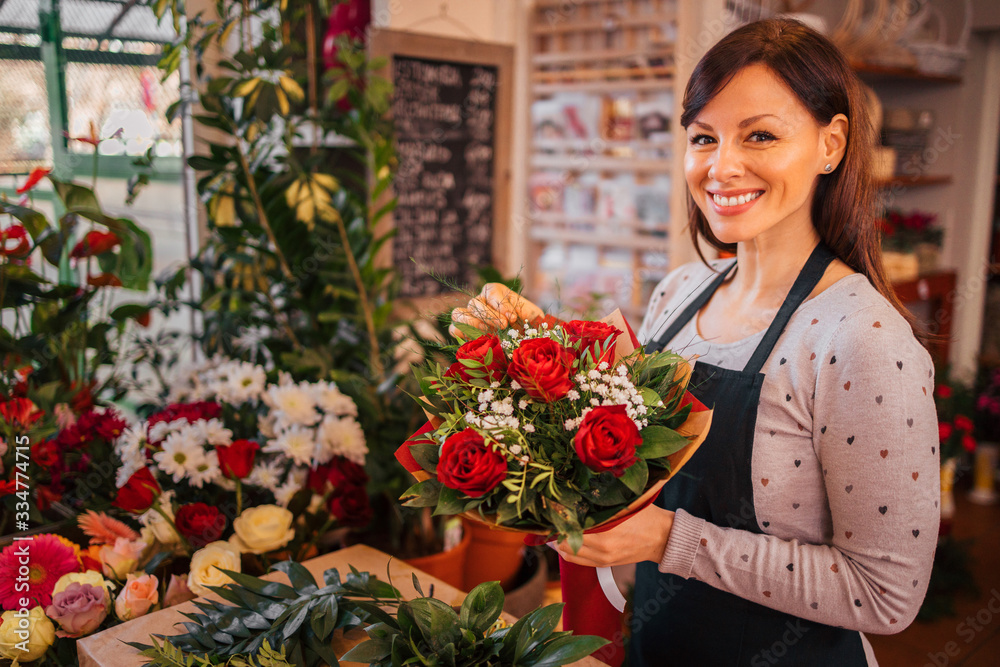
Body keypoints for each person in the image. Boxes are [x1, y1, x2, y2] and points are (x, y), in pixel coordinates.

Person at [452, 18, 938, 666]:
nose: (721, 165)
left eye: (759, 134)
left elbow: (885, 595)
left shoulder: (862, 339)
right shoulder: (679, 293)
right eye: (703, 137)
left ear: (832, 143)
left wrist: (669, 540)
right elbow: (636, 456)